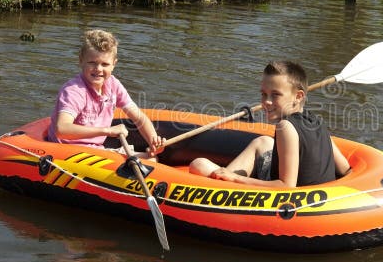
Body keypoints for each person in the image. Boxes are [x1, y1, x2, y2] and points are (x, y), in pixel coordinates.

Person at [189, 61, 351, 187]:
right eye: (264, 94)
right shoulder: (318, 122)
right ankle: (225, 175)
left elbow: (286, 186)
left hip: (288, 201)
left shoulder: (285, 127)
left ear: (299, 96)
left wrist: (235, 178)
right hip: (320, 195)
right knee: (263, 142)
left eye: (275, 95)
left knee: (199, 164)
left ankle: (222, 181)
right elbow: (345, 169)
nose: (266, 101)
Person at [47, 29, 164, 157]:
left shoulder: (113, 85)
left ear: (114, 64)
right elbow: (62, 129)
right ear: (81, 60)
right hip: (68, 152)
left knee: (153, 158)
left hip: (96, 149)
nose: (98, 69)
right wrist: (107, 131)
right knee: (150, 163)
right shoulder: (74, 91)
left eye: (105, 64)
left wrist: (154, 141)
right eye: (92, 63)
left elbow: (139, 118)